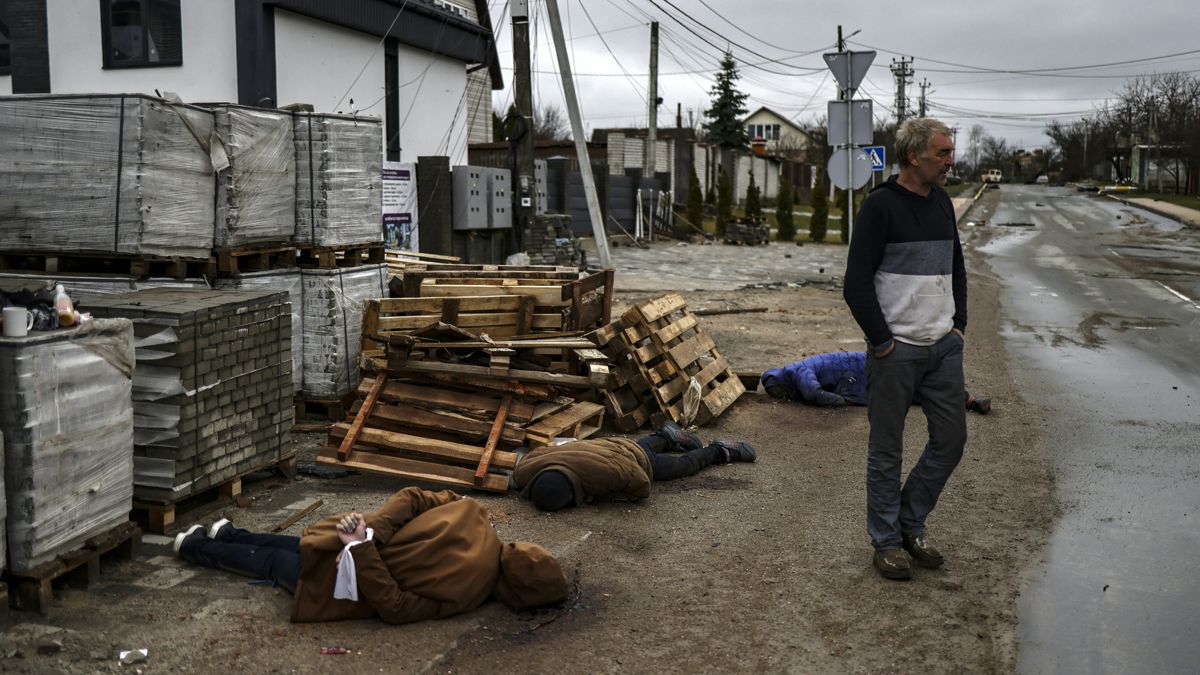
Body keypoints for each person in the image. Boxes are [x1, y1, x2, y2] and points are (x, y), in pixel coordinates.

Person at [842, 117, 968, 581]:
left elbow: (956, 266)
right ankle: (888, 541)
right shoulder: (880, 207)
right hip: (897, 351)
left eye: (951, 152)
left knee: (951, 440)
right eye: (943, 153)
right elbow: (855, 284)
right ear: (914, 156)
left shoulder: (942, 204)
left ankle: (911, 523)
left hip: (943, 348)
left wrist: (959, 326)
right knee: (886, 449)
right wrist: (882, 342)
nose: (950, 160)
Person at [172, 486, 568, 622]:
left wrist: (374, 529)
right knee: (278, 564)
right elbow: (395, 607)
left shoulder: (474, 514)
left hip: (352, 544)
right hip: (349, 578)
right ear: (515, 596)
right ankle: (194, 547)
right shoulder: (469, 594)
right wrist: (365, 543)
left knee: (298, 544)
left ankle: (227, 532)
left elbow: (414, 497)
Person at [511, 422, 756, 512]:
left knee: (684, 465)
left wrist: (610, 498)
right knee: (640, 445)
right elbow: (541, 450)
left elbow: (641, 485)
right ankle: (666, 436)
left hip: (637, 460)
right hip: (609, 443)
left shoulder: (605, 474)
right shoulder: (526, 471)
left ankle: (719, 450)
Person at [760, 352, 991, 414]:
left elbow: (813, 392)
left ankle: (969, 400)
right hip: (860, 375)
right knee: (911, 389)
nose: (782, 397)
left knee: (915, 384)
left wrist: (838, 401)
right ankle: (968, 400)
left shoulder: (797, 369)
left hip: (861, 371)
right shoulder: (797, 371)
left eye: (779, 392)